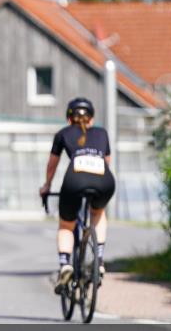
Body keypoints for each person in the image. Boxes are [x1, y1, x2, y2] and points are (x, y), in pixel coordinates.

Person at [39, 97, 116, 293]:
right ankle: (99, 260)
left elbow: (52, 165)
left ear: (69, 119)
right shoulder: (102, 133)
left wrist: (47, 186)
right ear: (91, 119)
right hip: (104, 180)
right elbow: (107, 161)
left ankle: (65, 264)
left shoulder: (63, 133)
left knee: (66, 225)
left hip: (74, 181)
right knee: (98, 212)